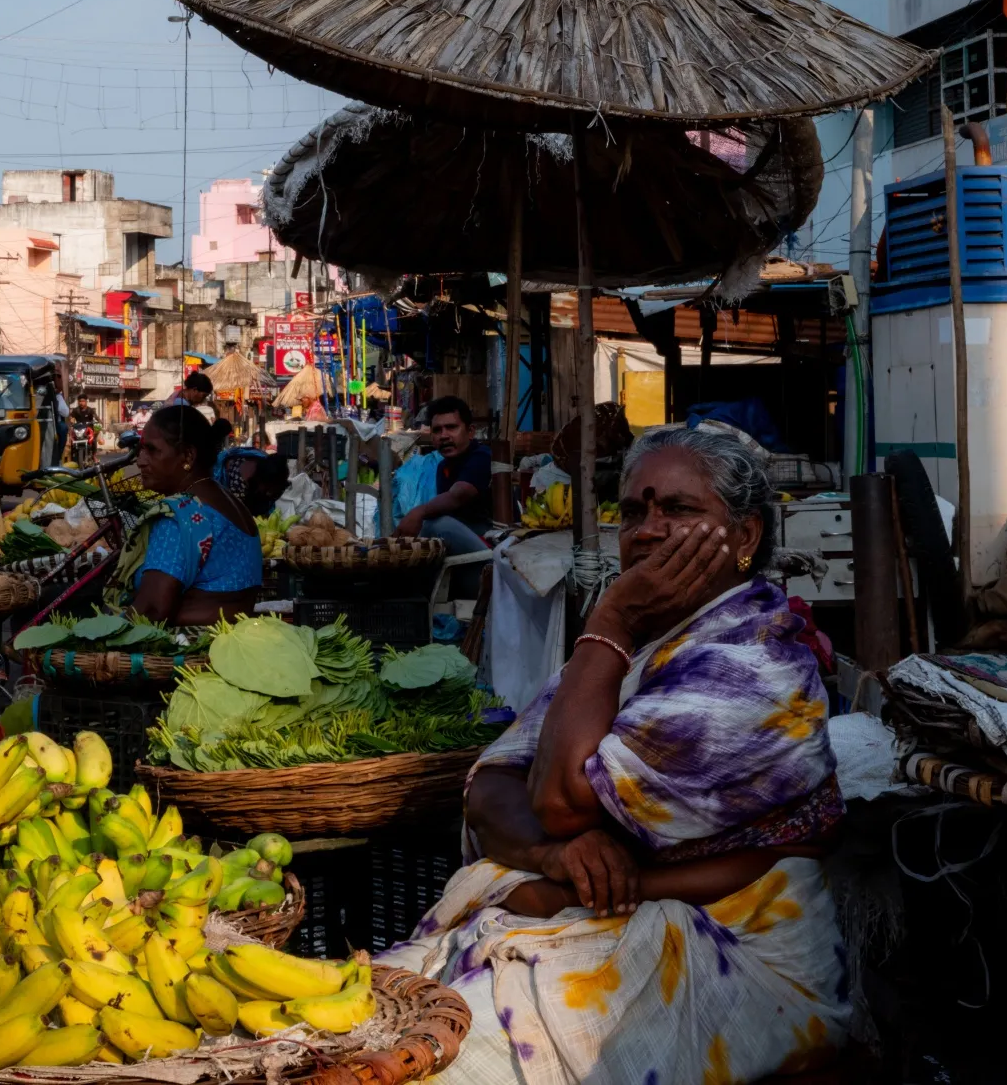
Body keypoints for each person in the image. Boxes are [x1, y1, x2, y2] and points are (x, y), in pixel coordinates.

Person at [386, 423, 846, 1085]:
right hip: (590, 920)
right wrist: (553, 857)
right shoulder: (645, 652)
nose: (648, 530)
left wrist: (611, 621)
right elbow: (490, 786)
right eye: (633, 512)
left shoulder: (758, 667)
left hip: (734, 958)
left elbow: (558, 797)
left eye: (679, 510)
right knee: (379, 1009)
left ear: (744, 538)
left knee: (447, 1062)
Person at [127, 404, 260, 626]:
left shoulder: (181, 515)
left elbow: (151, 611)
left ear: (187, 455)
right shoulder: (230, 503)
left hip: (184, 654)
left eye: (152, 450)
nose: (140, 461)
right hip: (228, 646)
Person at [393, 395, 492, 595]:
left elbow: (459, 495)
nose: (443, 435)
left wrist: (419, 512)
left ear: (470, 431)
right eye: (437, 430)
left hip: (491, 562)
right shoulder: (443, 467)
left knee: (436, 525)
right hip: (464, 558)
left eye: (451, 428)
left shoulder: (481, 457)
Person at [216, 446, 290, 517]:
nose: (269, 493)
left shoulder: (269, 472)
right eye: (268, 489)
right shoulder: (238, 482)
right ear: (261, 479)